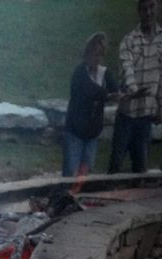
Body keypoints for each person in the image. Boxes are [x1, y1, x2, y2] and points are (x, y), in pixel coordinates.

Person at [108, 0, 162, 174]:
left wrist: (161, 107)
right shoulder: (129, 40)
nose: (148, 12)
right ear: (139, 11)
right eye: (144, 9)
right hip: (127, 114)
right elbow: (126, 69)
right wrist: (135, 91)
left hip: (146, 115)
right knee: (115, 165)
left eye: (151, 7)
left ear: (158, 6)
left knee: (140, 166)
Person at [62, 32, 118, 178]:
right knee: (71, 173)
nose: (97, 58)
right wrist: (107, 95)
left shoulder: (104, 73)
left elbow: (115, 89)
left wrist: (124, 94)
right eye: (94, 54)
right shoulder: (80, 72)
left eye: (100, 55)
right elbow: (88, 90)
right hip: (75, 132)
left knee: (86, 174)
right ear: (87, 54)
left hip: (92, 133)